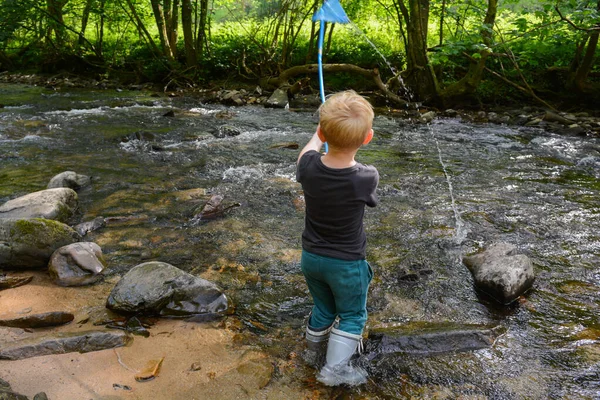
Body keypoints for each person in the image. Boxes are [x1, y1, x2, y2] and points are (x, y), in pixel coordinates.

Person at [296, 90, 379, 386]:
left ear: (322, 132)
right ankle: (333, 370)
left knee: (324, 309)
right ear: (367, 138)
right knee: (353, 316)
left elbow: (306, 153)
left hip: (311, 259)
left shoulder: (307, 168)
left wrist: (318, 137)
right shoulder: (366, 177)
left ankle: (311, 354)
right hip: (346, 263)